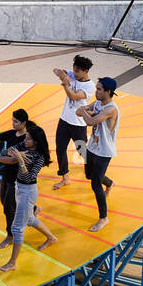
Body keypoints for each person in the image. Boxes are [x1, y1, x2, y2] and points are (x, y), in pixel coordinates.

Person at [0, 122, 57, 271]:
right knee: (29, 219)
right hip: (19, 187)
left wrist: (21, 160)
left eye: (28, 139)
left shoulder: (40, 157)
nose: (24, 140)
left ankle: (12, 263)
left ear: (36, 142)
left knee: (17, 228)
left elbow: (29, 177)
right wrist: (16, 154)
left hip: (28, 191)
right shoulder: (23, 146)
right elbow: (7, 152)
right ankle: (51, 238)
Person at [76, 76, 121, 232]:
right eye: (96, 88)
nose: (96, 92)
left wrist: (85, 111)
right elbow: (78, 112)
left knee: (95, 183)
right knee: (89, 175)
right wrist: (85, 110)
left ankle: (103, 218)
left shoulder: (111, 109)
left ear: (108, 92)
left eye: (99, 89)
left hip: (104, 151)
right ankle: (109, 183)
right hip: (92, 147)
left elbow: (89, 121)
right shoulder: (97, 103)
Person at [0, 109, 30, 249]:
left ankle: (11, 236)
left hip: (18, 177)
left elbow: (13, 160)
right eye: (12, 120)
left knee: (8, 208)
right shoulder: (11, 133)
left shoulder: (27, 139)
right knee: (4, 200)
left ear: (24, 123)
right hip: (7, 174)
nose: (13, 123)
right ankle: (32, 208)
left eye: (16, 121)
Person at [51, 55, 95, 190]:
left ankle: (91, 170)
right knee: (60, 149)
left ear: (86, 71)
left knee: (82, 151)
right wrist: (63, 75)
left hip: (78, 124)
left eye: (77, 71)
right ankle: (65, 177)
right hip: (64, 120)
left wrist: (65, 84)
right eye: (73, 70)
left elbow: (73, 96)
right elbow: (56, 70)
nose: (74, 73)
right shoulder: (72, 75)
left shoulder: (89, 86)